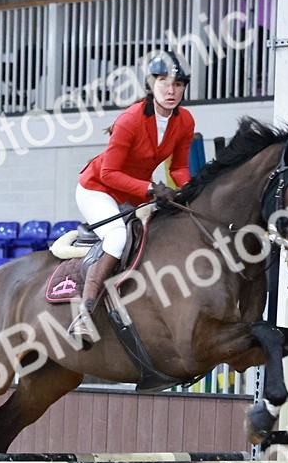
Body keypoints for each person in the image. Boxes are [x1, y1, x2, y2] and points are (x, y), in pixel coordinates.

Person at [68, 50, 196, 340]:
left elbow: (179, 167)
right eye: (163, 82)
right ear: (150, 85)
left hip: (136, 192)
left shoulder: (185, 121)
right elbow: (108, 174)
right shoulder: (130, 120)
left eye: (178, 84)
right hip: (97, 189)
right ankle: (85, 314)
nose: (171, 90)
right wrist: (151, 188)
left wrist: (190, 189)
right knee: (117, 237)